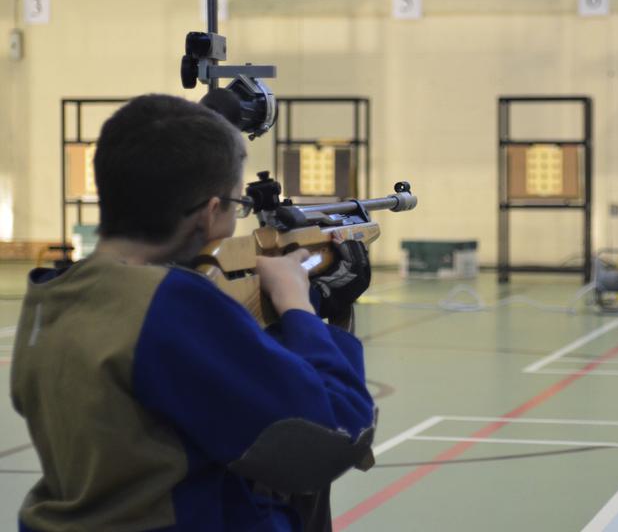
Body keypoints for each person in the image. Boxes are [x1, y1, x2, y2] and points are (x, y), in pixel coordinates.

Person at [10, 94, 376, 531]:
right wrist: (299, 304)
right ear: (210, 212)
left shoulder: (53, 295)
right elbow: (332, 433)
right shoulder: (171, 306)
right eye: (237, 206)